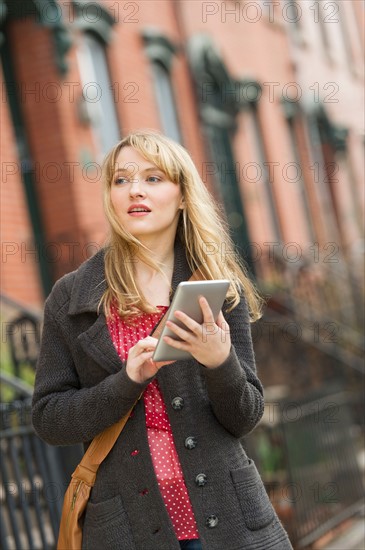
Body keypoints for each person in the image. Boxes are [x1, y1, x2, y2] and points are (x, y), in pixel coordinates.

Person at [32, 130, 292, 550]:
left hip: (228, 524)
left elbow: (245, 417)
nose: (135, 190)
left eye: (153, 179)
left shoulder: (217, 286)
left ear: (183, 195)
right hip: (128, 531)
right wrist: (126, 380)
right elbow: (49, 419)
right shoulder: (72, 297)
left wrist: (220, 362)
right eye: (121, 179)